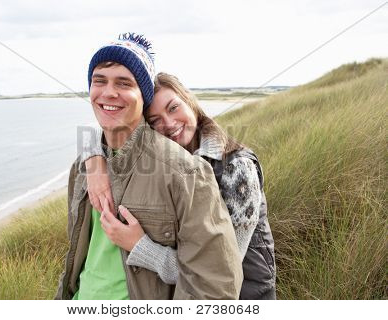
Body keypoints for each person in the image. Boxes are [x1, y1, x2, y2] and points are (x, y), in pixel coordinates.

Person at [55, 33, 243, 300]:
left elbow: (214, 285)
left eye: (124, 83)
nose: (109, 92)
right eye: (99, 81)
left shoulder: (187, 172)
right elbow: (78, 257)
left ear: (143, 96)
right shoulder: (83, 167)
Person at [83, 72, 277, 299]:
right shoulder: (171, 167)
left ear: (189, 101)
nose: (168, 123)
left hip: (245, 296)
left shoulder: (237, 169)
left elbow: (218, 269)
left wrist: (139, 245)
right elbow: (106, 129)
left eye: (173, 108)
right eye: (154, 120)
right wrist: (93, 159)